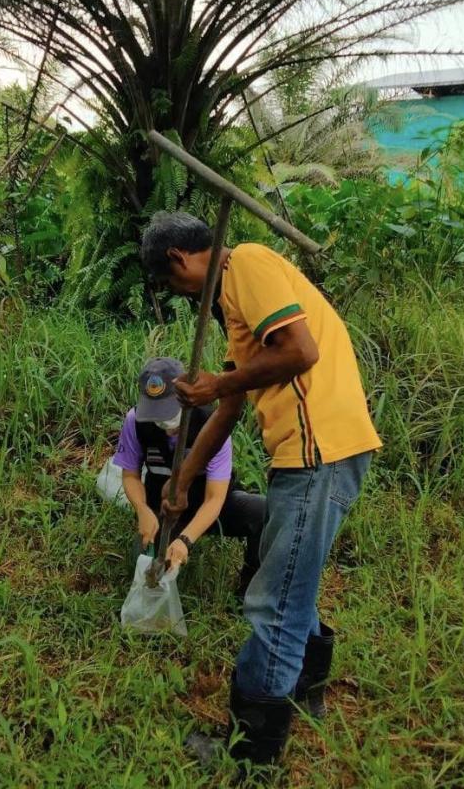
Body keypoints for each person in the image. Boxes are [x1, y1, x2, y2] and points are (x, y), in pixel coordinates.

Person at [140, 211, 382, 777]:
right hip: (309, 451)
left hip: (318, 450)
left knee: (273, 600)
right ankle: (309, 692)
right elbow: (228, 406)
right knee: (291, 576)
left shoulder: (246, 261)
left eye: (172, 285)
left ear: (178, 261)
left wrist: (220, 382)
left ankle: (252, 753)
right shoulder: (235, 303)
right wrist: (181, 480)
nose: (182, 296)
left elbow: (301, 352)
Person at [108, 358, 264, 596]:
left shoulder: (214, 424)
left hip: (210, 505)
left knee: (263, 514)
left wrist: (185, 540)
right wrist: (142, 509)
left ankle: (249, 593)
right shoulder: (136, 422)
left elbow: (215, 498)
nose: (163, 421)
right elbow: (130, 475)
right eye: (156, 412)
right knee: (143, 566)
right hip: (165, 509)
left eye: (169, 411)